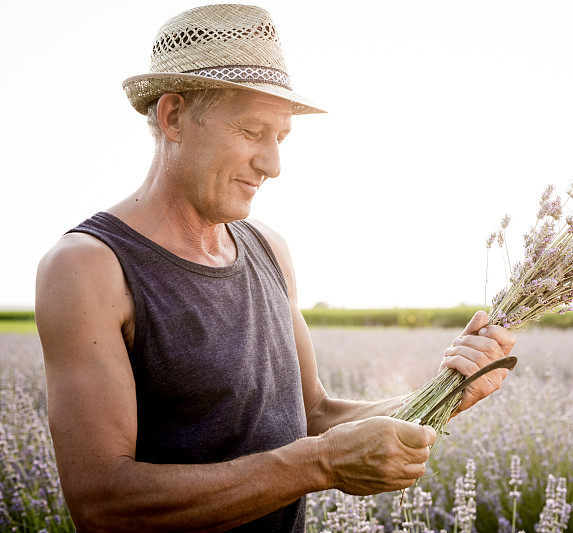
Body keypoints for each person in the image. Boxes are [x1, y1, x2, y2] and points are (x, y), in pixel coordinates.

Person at [34, 5, 515, 532]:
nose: (273, 164)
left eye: (280, 137)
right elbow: (103, 504)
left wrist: (444, 393)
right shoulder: (88, 268)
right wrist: (320, 463)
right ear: (173, 116)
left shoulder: (268, 249)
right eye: (250, 131)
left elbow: (314, 417)